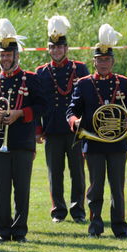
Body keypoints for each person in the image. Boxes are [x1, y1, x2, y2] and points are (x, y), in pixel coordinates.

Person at [67, 24, 127, 239]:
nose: (103, 63)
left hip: (117, 144)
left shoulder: (123, 83)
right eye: (100, 60)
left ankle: (120, 228)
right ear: (94, 62)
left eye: (107, 60)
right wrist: (75, 121)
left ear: (112, 61)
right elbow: (71, 110)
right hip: (94, 143)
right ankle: (95, 226)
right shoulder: (84, 84)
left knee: (117, 188)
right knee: (95, 187)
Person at [0, 19, 46, 243]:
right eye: (2, 55)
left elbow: (42, 106)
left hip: (22, 141)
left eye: (9, 55)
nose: (5, 59)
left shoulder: (32, 79)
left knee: (22, 190)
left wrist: (20, 113)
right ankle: (2, 230)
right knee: (1, 190)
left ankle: (19, 231)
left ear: (17, 56)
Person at [35, 16, 89, 223]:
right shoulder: (41, 72)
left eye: (60, 47)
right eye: (52, 47)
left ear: (66, 48)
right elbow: (38, 103)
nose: (56, 51)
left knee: (78, 172)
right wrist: (38, 129)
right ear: (49, 49)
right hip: (52, 129)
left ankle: (78, 211)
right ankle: (58, 210)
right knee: (54, 174)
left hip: (75, 130)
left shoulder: (80, 69)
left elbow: (87, 99)